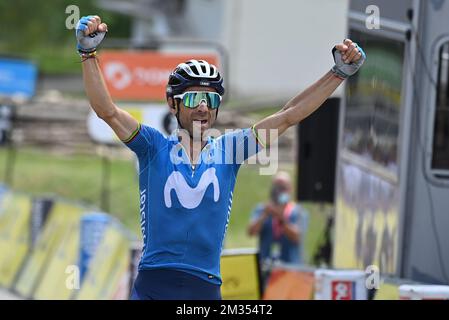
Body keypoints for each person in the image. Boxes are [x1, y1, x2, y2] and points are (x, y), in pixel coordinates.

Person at [75, 15, 366, 300]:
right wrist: (88, 54)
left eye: (211, 100)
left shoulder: (231, 150)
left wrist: (337, 73)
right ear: (172, 104)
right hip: (154, 283)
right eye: (192, 99)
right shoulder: (152, 147)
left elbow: (288, 116)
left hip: (205, 286)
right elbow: (107, 111)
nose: (203, 107)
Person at [247, 171, 309, 289]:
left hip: (291, 270)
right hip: (266, 270)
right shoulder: (262, 209)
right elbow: (251, 232)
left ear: (290, 189)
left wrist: (281, 219)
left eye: (283, 187)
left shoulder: (298, 212)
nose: (279, 190)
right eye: (276, 186)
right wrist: (265, 215)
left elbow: (296, 237)